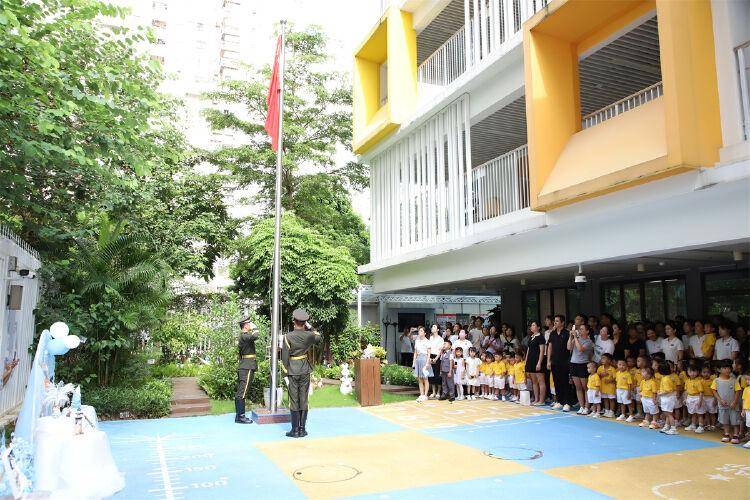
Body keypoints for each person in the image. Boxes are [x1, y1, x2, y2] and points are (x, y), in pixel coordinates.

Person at [281, 309, 323, 438]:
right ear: (304, 323)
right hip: (305, 369)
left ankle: (294, 430)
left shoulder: (288, 337)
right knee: (304, 399)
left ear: (294, 321)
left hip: (293, 370)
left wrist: (285, 373)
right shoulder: (309, 335)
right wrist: (309, 327)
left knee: (294, 399)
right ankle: (302, 429)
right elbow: (319, 337)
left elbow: (285, 357)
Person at [235, 317, 259, 424]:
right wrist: (256, 328)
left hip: (245, 365)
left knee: (242, 391)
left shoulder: (244, 337)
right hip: (247, 366)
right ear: (245, 325)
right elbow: (255, 336)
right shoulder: (245, 336)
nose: (251, 325)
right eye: (249, 323)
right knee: (242, 392)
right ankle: (240, 417)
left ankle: (239, 416)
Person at [547, 315, 572, 411]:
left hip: (565, 361)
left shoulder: (567, 333)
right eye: (555, 321)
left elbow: (569, 348)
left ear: (562, 323)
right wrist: (549, 360)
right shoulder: (552, 333)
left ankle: (567, 402)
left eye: (557, 321)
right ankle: (559, 401)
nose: (555, 323)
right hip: (555, 361)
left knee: (565, 382)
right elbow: (550, 347)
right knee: (556, 382)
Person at [711, 359, 740, 443]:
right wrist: (719, 400)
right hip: (722, 405)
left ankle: (735, 435)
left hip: (733, 405)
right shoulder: (716, 380)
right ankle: (726, 434)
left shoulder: (734, 380)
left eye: (729, 368)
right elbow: (714, 391)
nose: (727, 370)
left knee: (735, 421)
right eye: (725, 368)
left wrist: (734, 402)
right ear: (719, 369)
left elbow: (738, 391)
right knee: (725, 421)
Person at [568, 323, 593, 415]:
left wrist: (575, 338)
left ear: (587, 331)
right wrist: (571, 337)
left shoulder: (589, 341)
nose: (580, 331)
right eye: (580, 329)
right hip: (574, 364)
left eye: (582, 329)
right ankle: (581, 406)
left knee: (585, 387)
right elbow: (568, 347)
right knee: (578, 387)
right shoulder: (576, 339)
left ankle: (587, 407)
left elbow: (580, 349)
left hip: (583, 365)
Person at [525, 321, 546, 405]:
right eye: (531, 325)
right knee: (534, 381)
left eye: (534, 325)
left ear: (538, 327)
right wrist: (526, 361)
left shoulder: (540, 337)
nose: (531, 327)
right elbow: (528, 350)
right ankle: (536, 399)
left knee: (541, 381)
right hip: (530, 361)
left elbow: (542, 351)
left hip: (537, 360)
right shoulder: (531, 337)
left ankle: (542, 400)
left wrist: (539, 363)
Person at [658, 361, 678, 435]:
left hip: (668, 398)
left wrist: (660, 393)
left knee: (669, 414)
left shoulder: (666, 379)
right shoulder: (665, 378)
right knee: (667, 413)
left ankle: (673, 428)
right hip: (666, 398)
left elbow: (668, 390)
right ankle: (667, 426)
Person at [412, 326, 432, 402]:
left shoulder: (427, 341)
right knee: (419, 378)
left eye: (421, 331)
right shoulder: (417, 341)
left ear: (424, 333)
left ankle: (425, 395)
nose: (419, 332)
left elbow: (429, 354)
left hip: (424, 359)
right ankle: (421, 394)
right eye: (419, 331)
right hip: (418, 359)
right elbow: (415, 353)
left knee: (425, 378)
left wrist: (427, 364)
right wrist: (414, 362)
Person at [684, 363, 705, 433]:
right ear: (687, 372)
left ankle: (701, 426)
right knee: (692, 413)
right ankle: (693, 425)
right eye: (690, 371)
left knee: (699, 413)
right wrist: (685, 398)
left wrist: (700, 401)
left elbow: (701, 392)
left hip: (697, 397)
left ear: (698, 372)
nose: (692, 373)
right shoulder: (687, 381)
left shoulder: (698, 381)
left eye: (694, 371)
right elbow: (686, 391)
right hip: (690, 397)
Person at [428, 324, 444, 399]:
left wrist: (436, 359)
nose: (432, 328)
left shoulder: (441, 339)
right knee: (431, 375)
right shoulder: (430, 338)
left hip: (437, 357)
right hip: (430, 356)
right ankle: (433, 392)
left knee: (437, 374)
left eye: (434, 327)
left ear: (438, 329)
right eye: (432, 327)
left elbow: (440, 350)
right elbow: (429, 348)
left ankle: (438, 392)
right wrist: (430, 358)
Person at [701, 363, 717, 431]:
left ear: (710, 373)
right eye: (704, 372)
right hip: (704, 398)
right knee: (706, 413)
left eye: (708, 372)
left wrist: (715, 400)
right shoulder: (700, 381)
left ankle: (713, 425)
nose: (706, 374)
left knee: (712, 413)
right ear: (701, 373)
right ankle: (708, 424)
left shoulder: (713, 381)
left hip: (711, 398)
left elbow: (715, 391)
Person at [740, 371, 750, 449]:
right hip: (747, 410)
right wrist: (743, 410)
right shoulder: (746, 389)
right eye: (746, 380)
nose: (747, 381)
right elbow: (744, 399)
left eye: (749, 379)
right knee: (748, 425)